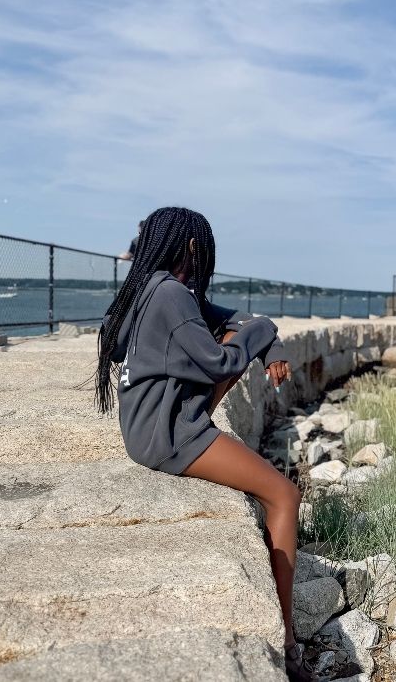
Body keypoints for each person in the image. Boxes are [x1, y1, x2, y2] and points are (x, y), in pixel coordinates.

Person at [95, 207, 311, 681]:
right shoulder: (171, 295)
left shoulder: (145, 288)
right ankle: (287, 641)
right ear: (193, 247)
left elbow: (231, 319)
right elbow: (219, 362)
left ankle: (288, 635)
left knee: (238, 334)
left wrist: (264, 339)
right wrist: (266, 330)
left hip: (144, 426)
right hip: (170, 434)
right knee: (284, 496)